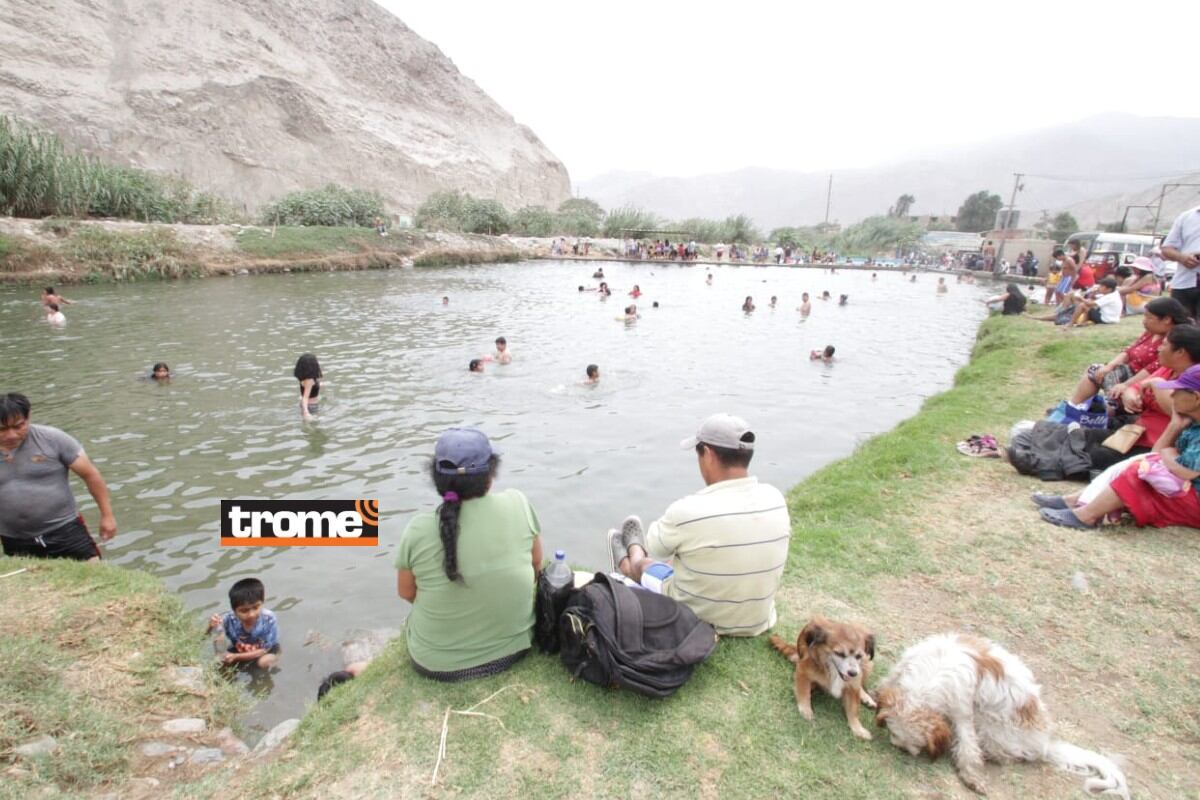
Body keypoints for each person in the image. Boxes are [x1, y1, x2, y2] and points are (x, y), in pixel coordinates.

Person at [605, 414, 790, 636]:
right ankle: (638, 557)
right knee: (693, 553)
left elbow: (655, 549)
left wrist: (648, 554)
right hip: (758, 622)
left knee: (647, 565)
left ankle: (628, 562)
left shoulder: (689, 510)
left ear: (709, 454)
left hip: (696, 619)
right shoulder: (775, 498)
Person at [395, 428, 542, 679]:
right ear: (490, 476)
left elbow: (407, 593)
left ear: (438, 480)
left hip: (436, 663)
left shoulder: (418, 529)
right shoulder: (518, 503)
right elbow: (536, 565)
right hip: (515, 649)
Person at [1036, 364, 1200, 531]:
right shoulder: (1193, 425)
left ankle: (1087, 515)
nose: (1172, 395)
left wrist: (1167, 457)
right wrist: (1174, 426)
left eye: (1178, 391)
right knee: (1141, 463)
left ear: (1196, 398)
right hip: (1186, 490)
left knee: (1139, 471)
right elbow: (1156, 455)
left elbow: (1188, 472)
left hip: (1194, 502)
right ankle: (1078, 500)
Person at [0, 393, 116, 560]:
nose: (11, 435)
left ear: (29, 416)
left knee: (95, 577)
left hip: (64, 528)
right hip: (14, 537)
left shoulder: (52, 439)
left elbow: (91, 475)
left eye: (18, 426)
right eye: (2, 429)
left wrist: (107, 515)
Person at [1064, 297, 1188, 407]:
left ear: (1166, 319)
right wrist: (1110, 366)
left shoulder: (1174, 340)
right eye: (1144, 316)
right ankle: (1075, 406)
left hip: (1143, 380)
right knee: (1096, 371)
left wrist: (1128, 384)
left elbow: (1154, 368)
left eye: (1149, 317)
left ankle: (1087, 408)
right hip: (1129, 371)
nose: (1144, 321)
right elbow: (1129, 350)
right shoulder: (1152, 332)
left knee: (1100, 377)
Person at [207, 578, 279, 669]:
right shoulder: (229, 618)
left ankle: (275, 662)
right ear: (234, 611)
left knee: (263, 662)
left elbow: (265, 650)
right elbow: (205, 637)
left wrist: (236, 657)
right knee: (221, 657)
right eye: (244, 611)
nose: (251, 615)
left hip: (266, 651)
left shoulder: (269, 619)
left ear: (262, 603)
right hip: (239, 649)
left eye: (256, 607)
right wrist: (210, 627)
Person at [1163, 205, 1200, 320]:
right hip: (1184, 283)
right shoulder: (1186, 217)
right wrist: (1182, 257)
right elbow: (1166, 249)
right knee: (1180, 328)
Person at [293, 353, 322, 420]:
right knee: (314, 427)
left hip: (308, 405)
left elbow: (307, 389)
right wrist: (306, 412)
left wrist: (319, 385)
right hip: (311, 407)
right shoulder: (309, 381)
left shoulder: (304, 377)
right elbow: (305, 397)